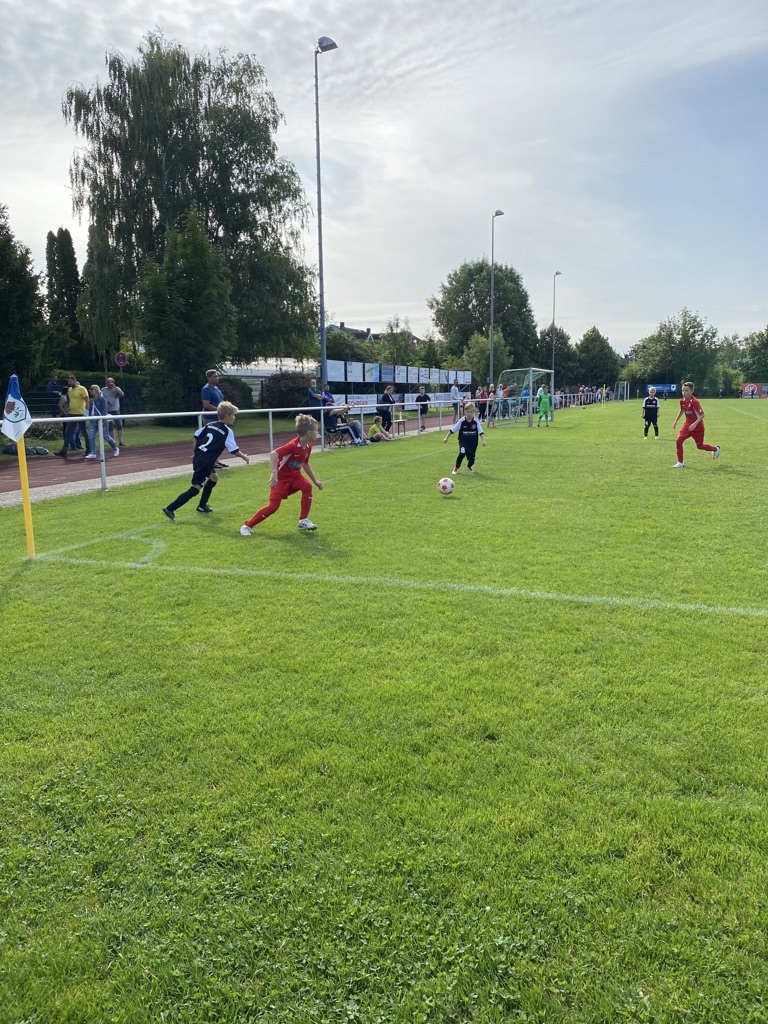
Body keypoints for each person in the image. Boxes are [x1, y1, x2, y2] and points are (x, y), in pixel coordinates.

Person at [162, 401, 249, 521]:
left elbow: (196, 435)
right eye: (233, 415)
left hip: (200, 458)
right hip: (206, 462)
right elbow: (234, 450)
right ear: (227, 416)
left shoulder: (210, 425)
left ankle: (202, 506)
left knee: (214, 478)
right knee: (195, 488)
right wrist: (244, 457)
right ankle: (170, 508)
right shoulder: (227, 431)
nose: (234, 418)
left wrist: (196, 452)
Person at [241, 414, 324, 535]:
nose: (318, 433)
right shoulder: (292, 446)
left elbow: (305, 463)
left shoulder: (308, 447)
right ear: (309, 433)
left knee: (307, 486)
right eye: (316, 430)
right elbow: (274, 454)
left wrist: (315, 480)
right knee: (273, 507)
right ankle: (247, 526)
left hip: (295, 477)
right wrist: (274, 473)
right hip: (281, 479)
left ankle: (303, 521)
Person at [671, 381, 720, 468]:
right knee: (679, 440)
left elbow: (702, 415)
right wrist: (676, 421)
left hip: (698, 428)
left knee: (700, 446)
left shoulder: (695, 402)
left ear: (692, 391)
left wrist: (694, 424)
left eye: (686, 390)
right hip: (687, 426)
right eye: (683, 390)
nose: (684, 392)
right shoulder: (682, 401)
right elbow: (682, 410)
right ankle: (680, 462)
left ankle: (715, 449)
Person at [443, 402, 486, 473]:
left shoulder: (476, 421)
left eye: (471, 412)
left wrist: (483, 440)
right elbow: (453, 429)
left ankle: (469, 466)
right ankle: (456, 468)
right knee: (462, 453)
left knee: (472, 458)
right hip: (463, 442)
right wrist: (446, 437)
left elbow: (481, 431)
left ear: (474, 412)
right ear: (465, 412)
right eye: (467, 412)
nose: (469, 414)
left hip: (473, 443)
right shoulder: (462, 421)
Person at [55, 374, 90, 458]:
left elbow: (87, 400)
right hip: (72, 413)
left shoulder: (82, 389)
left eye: (70, 381)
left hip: (81, 414)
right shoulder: (69, 390)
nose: (69, 383)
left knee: (84, 432)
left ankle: (89, 450)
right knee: (67, 432)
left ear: (75, 380)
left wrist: (86, 412)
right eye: (68, 381)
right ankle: (64, 451)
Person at [200, 369, 228, 468]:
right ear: (208, 378)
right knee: (212, 441)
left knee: (218, 441)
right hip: (210, 418)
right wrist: (219, 410)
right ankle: (212, 462)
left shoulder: (216, 388)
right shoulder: (206, 389)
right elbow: (206, 405)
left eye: (217, 376)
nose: (216, 378)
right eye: (214, 376)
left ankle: (216, 460)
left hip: (218, 418)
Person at [85, 384, 119, 458]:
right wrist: (88, 416)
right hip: (93, 421)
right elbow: (90, 410)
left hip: (102, 421)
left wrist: (102, 418)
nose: (90, 391)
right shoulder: (91, 400)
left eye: (91, 389)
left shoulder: (102, 399)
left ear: (96, 390)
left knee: (106, 436)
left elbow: (105, 410)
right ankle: (93, 452)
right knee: (91, 436)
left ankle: (115, 448)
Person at [103, 377, 125, 445]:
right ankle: (113, 441)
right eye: (108, 382)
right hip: (107, 410)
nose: (109, 384)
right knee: (110, 427)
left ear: (113, 382)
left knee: (119, 425)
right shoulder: (103, 390)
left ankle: (121, 441)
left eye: (110, 382)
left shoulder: (117, 389)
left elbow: (122, 394)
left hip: (115, 409)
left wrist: (114, 387)